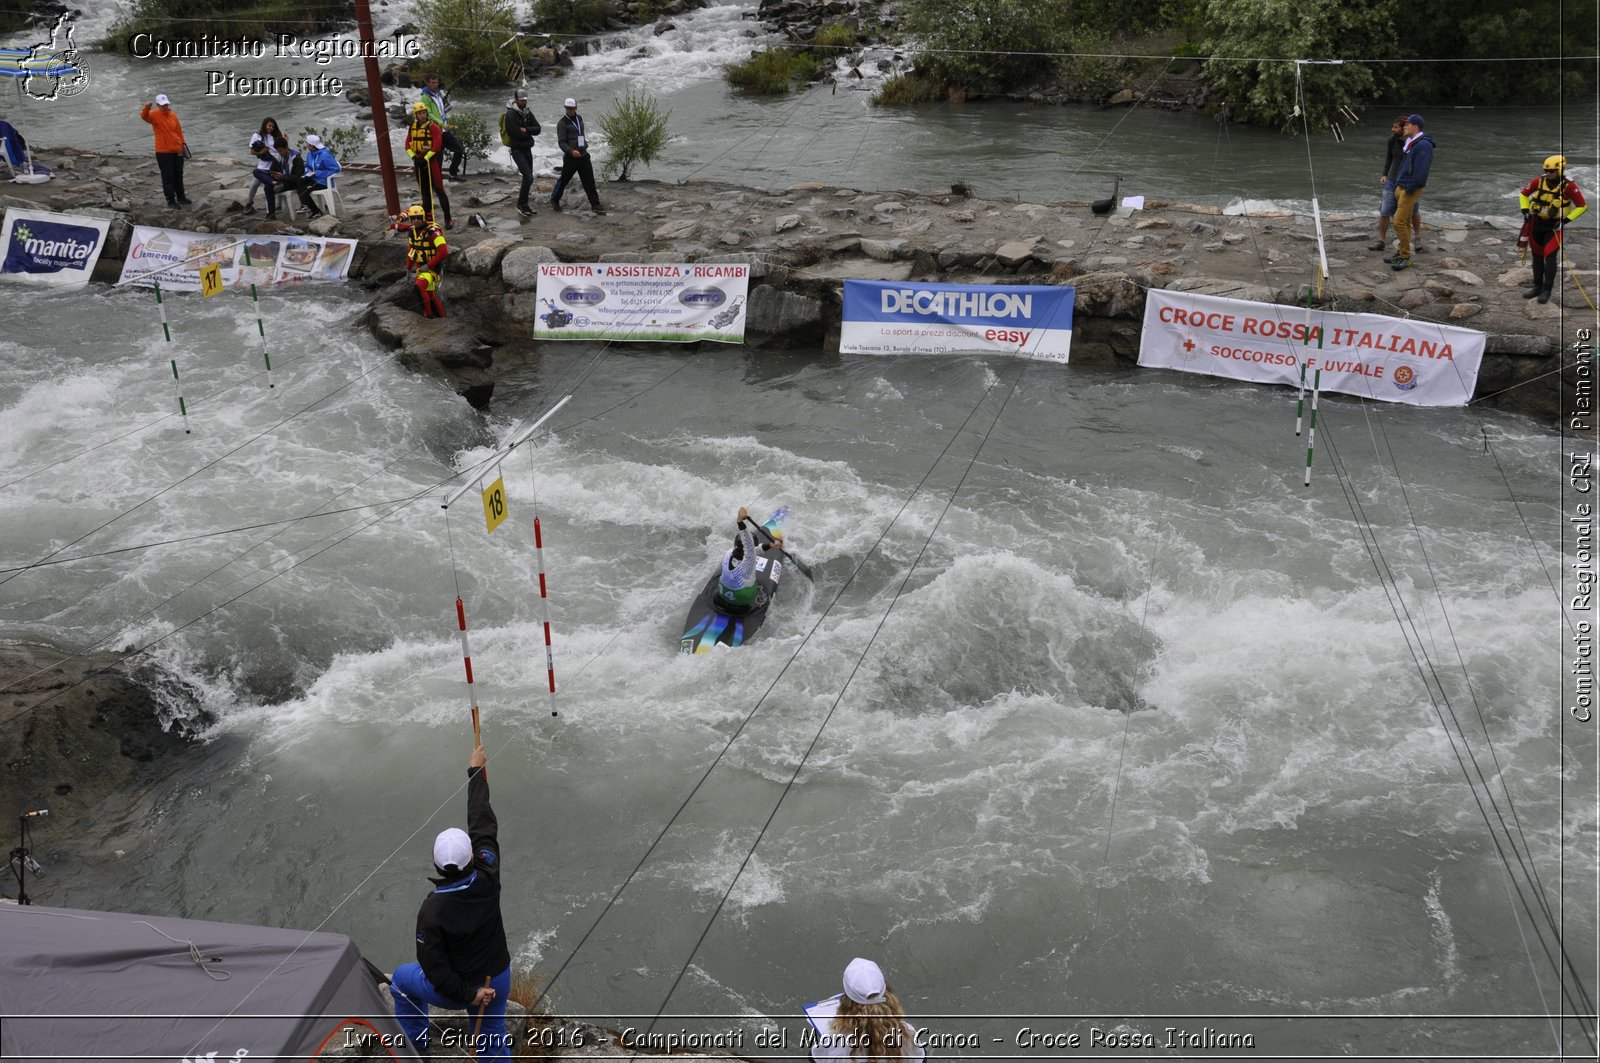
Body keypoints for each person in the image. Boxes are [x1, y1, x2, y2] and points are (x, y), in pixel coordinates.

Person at [390, 737, 511, 1061]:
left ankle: (415, 1049)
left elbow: (434, 968)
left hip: (463, 990)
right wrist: (476, 771)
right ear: (474, 856)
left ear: (435, 864)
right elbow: (482, 822)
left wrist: (469, 996)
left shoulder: (433, 910)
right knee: (491, 1037)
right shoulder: (489, 874)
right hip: (497, 975)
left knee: (401, 979)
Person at [807, 958, 925, 1062]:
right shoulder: (908, 1036)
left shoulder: (833, 1043)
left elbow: (814, 1058)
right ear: (887, 993)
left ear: (846, 1002)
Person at [1518, 154, 1588, 304]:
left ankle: (1547, 290)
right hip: (1536, 224)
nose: (1549, 174)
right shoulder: (1538, 181)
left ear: (1561, 169)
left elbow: (1582, 206)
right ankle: (1537, 286)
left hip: (1554, 227)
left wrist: (1565, 221)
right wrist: (1524, 210)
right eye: (1546, 171)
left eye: (1552, 171)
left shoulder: (1570, 186)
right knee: (1536, 256)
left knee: (1550, 257)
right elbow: (1523, 195)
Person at [1386, 114, 1433, 272]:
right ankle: (1401, 252)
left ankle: (1405, 257)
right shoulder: (1411, 143)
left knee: (1398, 222)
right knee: (1404, 222)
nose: (1404, 127)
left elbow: (1421, 172)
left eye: (1407, 125)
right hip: (1402, 185)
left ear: (1416, 127)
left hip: (1409, 188)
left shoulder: (1423, 145)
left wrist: (1409, 188)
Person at [1371, 116, 1424, 253]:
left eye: (1396, 127)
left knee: (1414, 210)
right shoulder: (1392, 140)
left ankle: (1417, 238)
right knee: (1385, 211)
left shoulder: (1414, 143)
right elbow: (1389, 157)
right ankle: (1381, 240)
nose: (1393, 129)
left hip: (1407, 182)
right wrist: (1384, 174)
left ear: (1404, 128)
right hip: (1392, 180)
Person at [713, 506, 780, 613]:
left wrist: (770, 545)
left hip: (721, 595)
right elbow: (749, 547)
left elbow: (751, 550)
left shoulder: (729, 553)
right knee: (749, 584)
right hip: (740, 604)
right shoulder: (747, 566)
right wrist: (740, 522)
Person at [550, 97, 606, 215]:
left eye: (571, 108)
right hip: (571, 158)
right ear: (565, 108)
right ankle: (554, 199)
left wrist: (584, 145)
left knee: (589, 181)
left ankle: (595, 204)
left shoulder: (579, 118)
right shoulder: (562, 123)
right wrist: (571, 151)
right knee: (564, 180)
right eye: (567, 108)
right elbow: (561, 142)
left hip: (584, 155)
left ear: (575, 108)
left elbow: (581, 134)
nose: (569, 110)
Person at [397, 203, 450, 318]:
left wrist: (429, 265)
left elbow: (444, 252)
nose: (416, 221)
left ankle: (428, 314)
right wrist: (408, 267)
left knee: (420, 286)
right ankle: (443, 317)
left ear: (423, 217)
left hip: (433, 267)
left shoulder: (433, 232)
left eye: (419, 218)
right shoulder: (412, 232)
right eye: (413, 218)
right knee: (430, 294)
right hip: (420, 267)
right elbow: (412, 251)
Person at [406, 100, 453, 229]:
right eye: (419, 113)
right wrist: (415, 158)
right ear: (415, 115)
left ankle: (448, 218)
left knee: (439, 189)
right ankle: (427, 220)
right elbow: (407, 145)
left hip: (431, 162)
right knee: (424, 192)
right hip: (419, 164)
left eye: (424, 113)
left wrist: (425, 159)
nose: (422, 115)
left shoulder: (433, 127)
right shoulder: (413, 127)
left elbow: (436, 147)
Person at [140, 93, 190, 208]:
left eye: (166, 104)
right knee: (168, 177)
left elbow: (179, 131)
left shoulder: (173, 115)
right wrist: (147, 107)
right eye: (162, 105)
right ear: (158, 105)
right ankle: (171, 201)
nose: (165, 106)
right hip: (163, 152)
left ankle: (181, 197)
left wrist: (183, 145)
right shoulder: (153, 115)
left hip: (177, 150)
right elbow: (144, 116)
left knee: (178, 175)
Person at [420, 73, 467, 180]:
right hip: (435, 131)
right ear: (427, 83)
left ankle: (452, 174)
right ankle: (436, 179)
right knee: (438, 157)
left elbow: (440, 111)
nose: (435, 85)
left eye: (436, 82)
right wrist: (442, 124)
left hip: (444, 129)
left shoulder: (438, 94)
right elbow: (428, 114)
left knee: (459, 149)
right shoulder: (425, 98)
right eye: (432, 83)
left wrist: (446, 111)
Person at [504, 88, 541, 217]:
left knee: (528, 178)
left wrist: (526, 130)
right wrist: (528, 136)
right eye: (521, 100)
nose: (524, 102)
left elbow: (538, 129)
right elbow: (515, 133)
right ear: (515, 99)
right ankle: (520, 205)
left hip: (526, 149)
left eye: (525, 100)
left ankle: (524, 205)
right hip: (517, 150)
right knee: (528, 177)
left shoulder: (527, 112)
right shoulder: (510, 114)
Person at [298, 133, 341, 218]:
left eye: (307, 144)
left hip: (324, 182)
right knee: (298, 183)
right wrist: (307, 172)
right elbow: (308, 166)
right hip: (313, 178)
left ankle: (316, 211)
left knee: (304, 191)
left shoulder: (325, 155)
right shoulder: (310, 154)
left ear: (311, 145)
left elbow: (336, 168)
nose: (306, 145)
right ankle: (306, 205)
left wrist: (318, 173)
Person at [246, 118, 282, 211]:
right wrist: (262, 152)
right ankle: (249, 202)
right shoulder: (257, 135)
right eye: (269, 125)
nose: (271, 128)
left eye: (273, 127)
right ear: (264, 125)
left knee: (274, 186)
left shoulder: (276, 136)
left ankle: (279, 205)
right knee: (254, 184)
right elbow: (252, 151)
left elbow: (281, 149)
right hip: (263, 164)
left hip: (275, 163)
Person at [266, 140, 304, 221]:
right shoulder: (279, 158)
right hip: (281, 180)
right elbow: (271, 170)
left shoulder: (296, 158)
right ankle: (271, 214)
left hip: (291, 183)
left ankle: (271, 214)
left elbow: (298, 177)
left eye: (280, 150)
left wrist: (282, 177)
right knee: (266, 184)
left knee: (268, 187)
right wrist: (273, 174)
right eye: (277, 151)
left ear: (286, 147)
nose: (279, 153)